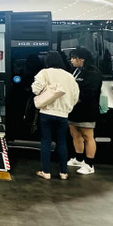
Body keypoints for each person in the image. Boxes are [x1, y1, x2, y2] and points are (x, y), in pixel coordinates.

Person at [31, 52, 79, 180]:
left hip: (46, 113)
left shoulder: (44, 73)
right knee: (62, 142)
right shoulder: (69, 76)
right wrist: (67, 107)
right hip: (63, 114)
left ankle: (46, 172)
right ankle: (63, 172)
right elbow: (75, 95)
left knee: (46, 142)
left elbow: (35, 90)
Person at [67, 47, 102, 175]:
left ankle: (89, 164)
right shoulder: (75, 71)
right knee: (75, 134)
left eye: (73, 58)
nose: (71, 60)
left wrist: (76, 98)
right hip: (73, 109)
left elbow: (90, 92)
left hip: (87, 110)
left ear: (82, 59)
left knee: (88, 136)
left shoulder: (93, 73)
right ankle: (79, 158)